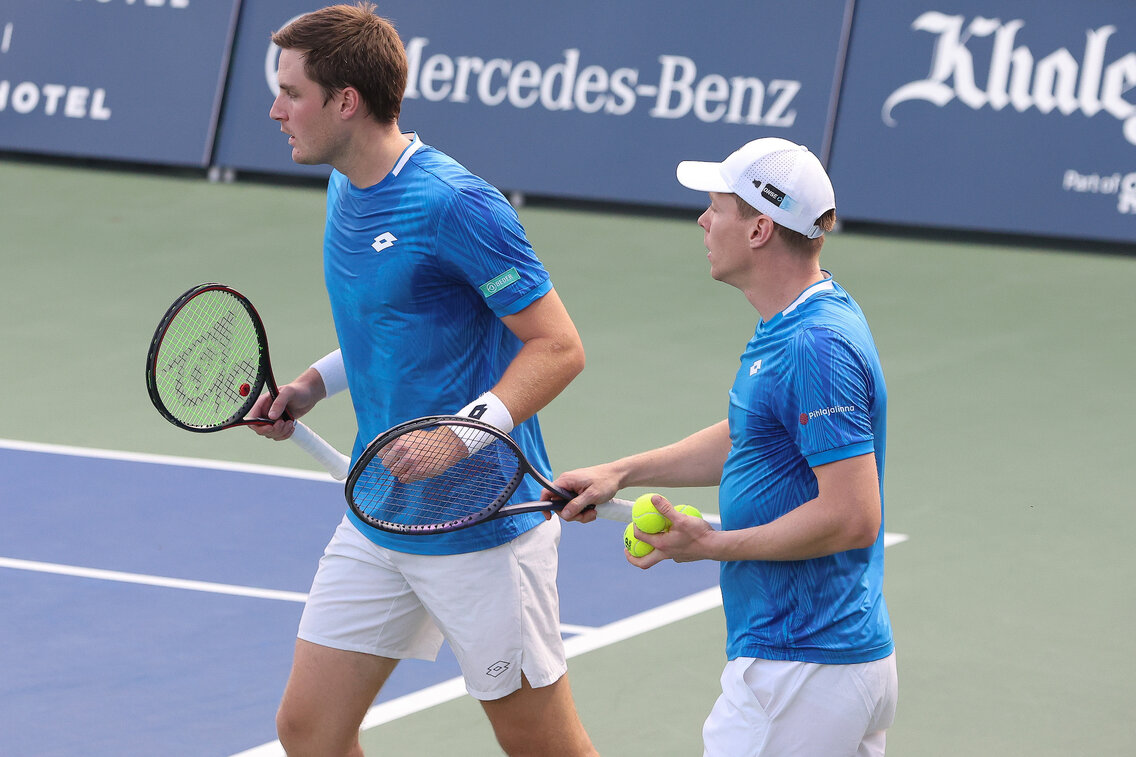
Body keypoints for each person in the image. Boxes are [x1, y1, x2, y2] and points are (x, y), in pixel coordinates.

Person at [248, 4, 596, 756]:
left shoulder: (454, 205)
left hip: (483, 525)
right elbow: (393, 327)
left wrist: (460, 437)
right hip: (381, 510)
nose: (276, 110)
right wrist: (310, 386)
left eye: (292, 93)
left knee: (540, 746)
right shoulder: (346, 186)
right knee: (309, 731)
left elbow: (559, 346)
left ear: (346, 101)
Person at [551, 137, 898, 755]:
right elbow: (751, 436)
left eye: (717, 208)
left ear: (760, 229)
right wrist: (622, 472)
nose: (703, 221)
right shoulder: (797, 321)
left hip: (799, 669)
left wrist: (711, 545)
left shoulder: (815, 345)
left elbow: (853, 516)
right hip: (828, 664)